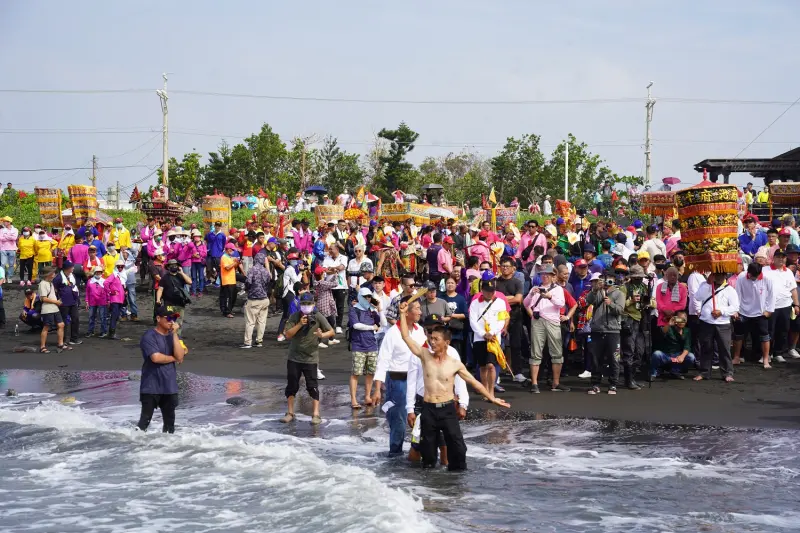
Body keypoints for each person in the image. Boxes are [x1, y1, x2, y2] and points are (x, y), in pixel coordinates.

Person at [397, 300, 509, 470]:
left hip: (448, 409)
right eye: (431, 338)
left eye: (436, 339)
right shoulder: (424, 355)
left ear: (446, 342)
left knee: (457, 447)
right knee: (427, 450)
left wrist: (492, 398)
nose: (432, 342)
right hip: (428, 409)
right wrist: (403, 315)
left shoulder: (454, 362)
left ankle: (456, 485)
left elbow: (474, 383)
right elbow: (406, 337)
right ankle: (428, 486)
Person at [406, 314, 470, 466]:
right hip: (423, 403)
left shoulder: (452, 352)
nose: (432, 335)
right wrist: (410, 409)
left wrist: (463, 403)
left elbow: (461, 379)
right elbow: (411, 381)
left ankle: (445, 484)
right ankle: (417, 482)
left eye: (436, 330)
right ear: (425, 332)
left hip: (445, 403)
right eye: (429, 331)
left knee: (446, 447)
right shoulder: (419, 353)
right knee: (418, 446)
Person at [372, 295, 428, 455]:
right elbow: (382, 361)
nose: (420, 312)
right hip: (397, 381)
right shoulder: (393, 333)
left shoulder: (419, 331)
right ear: (407, 311)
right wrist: (377, 389)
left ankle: (417, 453)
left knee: (418, 419)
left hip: (417, 382)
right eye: (417, 308)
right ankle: (395, 455)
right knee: (399, 421)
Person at [280, 292, 334, 425]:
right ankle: (290, 412)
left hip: (311, 357)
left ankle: (316, 414)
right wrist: (299, 324)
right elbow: (287, 335)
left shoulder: (318, 316)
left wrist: (322, 334)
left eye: (308, 304)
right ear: (300, 305)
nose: (306, 306)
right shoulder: (294, 316)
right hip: (294, 357)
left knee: (312, 386)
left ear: (313, 304)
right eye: (303, 304)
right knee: (292, 385)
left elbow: (331, 332)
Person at [137, 305, 186, 433]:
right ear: (158, 318)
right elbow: (156, 358)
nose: (172, 321)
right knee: (144, 423)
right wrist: (174, 358)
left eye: (174, 318)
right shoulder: (149, 336)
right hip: (150, 386)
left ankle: (167, 451)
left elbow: (180, 356)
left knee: (170, 427)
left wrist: (174, 334)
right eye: (168, 318)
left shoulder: (173, 336)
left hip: (169, 386)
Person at [525, 265, 569, 393]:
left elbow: (561, 304)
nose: (544, 276)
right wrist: (531, 294)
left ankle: (556, 382)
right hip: (538, 321)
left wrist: (549, 296)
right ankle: (534, 383)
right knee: (536, 351)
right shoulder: (535, 288)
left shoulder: (558, 289)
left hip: (552, 321)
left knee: (556, 352)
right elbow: (526, 304)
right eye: (542, 274)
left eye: (547, 274)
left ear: (552, 276)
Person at [468, 278, 510, 402]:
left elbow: (501, 320)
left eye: (492, 291)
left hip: (493, 338)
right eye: (487, 291)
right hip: (479, 338)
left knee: (491, 365)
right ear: (482, 291)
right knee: (482, 366)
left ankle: (491, 392)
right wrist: (482, 333)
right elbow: (472, 320)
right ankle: (485, 390)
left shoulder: (500, 302)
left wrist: (492, 333)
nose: (490, 294)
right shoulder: (475, 303)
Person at [693, 272, 739, 382]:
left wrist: (722, 311)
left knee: (724, 348)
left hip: (722, 323)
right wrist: (707, 284)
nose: (718, 277)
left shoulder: (730, 290)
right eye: (716, 275)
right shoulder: (706, 286)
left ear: (725, 276)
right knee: (706, 347)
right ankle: (704, 372)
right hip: (706, 321)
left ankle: (727, 372)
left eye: (721, 275)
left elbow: (735, 307)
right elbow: (697, 297)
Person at [585, 271, 625, 395]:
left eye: (609, 279)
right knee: (596, 359)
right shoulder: (598, 292)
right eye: (604, 279)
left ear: (614, 280)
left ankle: (613, 384)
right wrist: (595, 289)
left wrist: (610, 303)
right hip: (597, 330)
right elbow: (589, 301)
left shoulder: (619, 293)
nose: (607, 281)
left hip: (613, 331)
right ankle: (595, 384)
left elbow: (620, 310)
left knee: (614, 358)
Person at [733, 262, 775, 368]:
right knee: (739, 335)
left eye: (755, 275)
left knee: (765, 336)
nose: (752, 277)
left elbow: (772, 295)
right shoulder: (742, 277)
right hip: (743, 311)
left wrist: (769, 310)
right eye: (751, 275)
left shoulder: (767, 278)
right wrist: (736, 310)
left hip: (760, 312)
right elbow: (737, 294)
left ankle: (765, 359)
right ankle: (737, 357)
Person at [618, 265, 653, 390]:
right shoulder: (624, 288)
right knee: (629, 351)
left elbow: (653, 302)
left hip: (641, 320)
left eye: (640, 277)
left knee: (640, 351)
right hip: (629, 320)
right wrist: (631, 300)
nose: (639, 279)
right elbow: (620, 306)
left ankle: (632, 377)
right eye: (636, 277)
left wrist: (647, 303)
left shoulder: (644, 287)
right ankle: (628, 380)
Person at [763, 250, 799, 363]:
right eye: (778, 257)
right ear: (773, 258)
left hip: (785, 305)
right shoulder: (765, 270)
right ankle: (766, 354)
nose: (781, 259)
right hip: (770, 306)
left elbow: (793, 289)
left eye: (783, 257)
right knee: (769, 330)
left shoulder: (788, 271)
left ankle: (778, 352)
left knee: (783, 330)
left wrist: (797, 304)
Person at [348, 287, 381, 409]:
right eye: (365, 296)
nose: (367, 299)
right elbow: (356, 325)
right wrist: (371, 327)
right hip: (359, 345)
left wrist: (378, 309)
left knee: (370, 372)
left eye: (369, 296)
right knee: (356, 373)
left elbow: (380, 323)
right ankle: (354, 399)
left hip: (372, 344)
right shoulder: (354, 310)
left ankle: (367, 396)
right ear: (360, 297)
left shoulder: (371, 310)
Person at [496, 256, 526, 383]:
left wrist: (501, 298)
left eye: (507, 266)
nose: (504, 268)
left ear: (513, 269)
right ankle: (497, 373)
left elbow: (518, 299)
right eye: (502, 266)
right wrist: (509, 298)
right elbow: (492, 298)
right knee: (497, 345)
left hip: (515, 316)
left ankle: (517, 372)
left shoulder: (517, 282)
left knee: (516, 345)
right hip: (498, 317)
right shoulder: (496, 282)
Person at [651, 311, 695, 379]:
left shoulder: (687, 330)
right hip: (666, 355)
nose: (682, 321)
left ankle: (675, 371)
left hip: (677, 356)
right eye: (680, 319)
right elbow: (662, 332)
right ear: (676, 319)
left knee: (691, 357)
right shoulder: (669, 328)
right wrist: (669, 324)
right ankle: (654, 373)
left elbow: (687, 346)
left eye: (684, 319)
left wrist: (682, 356)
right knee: (656, 354)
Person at [37, 266, 71, 353]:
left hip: (55, 308)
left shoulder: (50, 283)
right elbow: (43, 298)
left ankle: (60, 344)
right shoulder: (42, 284)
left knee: (61, 325)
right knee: (46, 327)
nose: (54, 274)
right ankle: (42, 347)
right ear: (48, 274)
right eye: (53, 273)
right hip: (48, 309)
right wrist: (56, 302)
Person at [156, 259, 192, 336]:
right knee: (169, 320)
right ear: (168, 267)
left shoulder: (180, 276)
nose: (174, 266)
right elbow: (160, 289)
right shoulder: (165, 278)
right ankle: (169, 336)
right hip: (169, 303)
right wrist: (158, 299)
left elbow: (190, 282)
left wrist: (182, 273)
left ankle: (176, 337)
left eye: (175, 265)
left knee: (179, 321)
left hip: (180, 303)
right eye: (172, 265)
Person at [53, 260, 81, 346]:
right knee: (64, 321)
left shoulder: (73, 276)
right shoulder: (58, 278)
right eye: (71, 267)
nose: (73, 268)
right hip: (64, 303)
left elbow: (75, 287)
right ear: (67, 268)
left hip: (73, 301)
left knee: (75, 319)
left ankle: (74, 338)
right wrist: (57, 300)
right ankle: (64, 340)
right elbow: (54, 289)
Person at [322, 242, 348, 335]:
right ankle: (330, 325)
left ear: (337, 249)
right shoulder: (326, 258)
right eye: (329, 249)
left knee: (339, 306)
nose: (329, 251)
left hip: (340, 286)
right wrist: (335, 269)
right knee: (329, 306)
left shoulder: (343, 257)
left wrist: (331, 269)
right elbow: (325, 271)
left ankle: (339, 326)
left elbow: (341, 268)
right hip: (329, 286)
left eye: (331, 249)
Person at [218, 243, 240, 318]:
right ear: (228, 249)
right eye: (232, 249)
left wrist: (236, 262)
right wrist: (235, 263)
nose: (233, 251)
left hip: (231, 280)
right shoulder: (224, 257)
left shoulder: (229, 257)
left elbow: (233, 266)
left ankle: (229, 310)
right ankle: (226, 311)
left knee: (232, 296)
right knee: (228, 297)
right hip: (227, 280)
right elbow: (227, 267)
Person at [205, 222, 226, 286]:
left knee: (218, 269)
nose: (217, 227)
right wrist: (207, 249)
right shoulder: (209, 234)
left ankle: (218, 281)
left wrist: (221, 251)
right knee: (208, 268)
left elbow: (224, 244)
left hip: (218, 254)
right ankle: (209, 279)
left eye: (219, 226)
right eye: (216, 225)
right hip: (210, 253)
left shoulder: (222, 235)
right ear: (215, 226)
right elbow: (205, 240)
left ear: (220, 226)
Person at [0, 216, 18, 284]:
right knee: (3, 264)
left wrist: (6, 236)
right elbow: (1, 238)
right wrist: (10, 236)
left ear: (9, 222)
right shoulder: (1, 230)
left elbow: (14, 238)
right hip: (3, 249)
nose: (4, 222)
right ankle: (2, 278)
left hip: (12, 249)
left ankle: (9, 277)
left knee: (11, 264)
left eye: (5, 221)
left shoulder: (15, 230)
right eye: (4, 221)